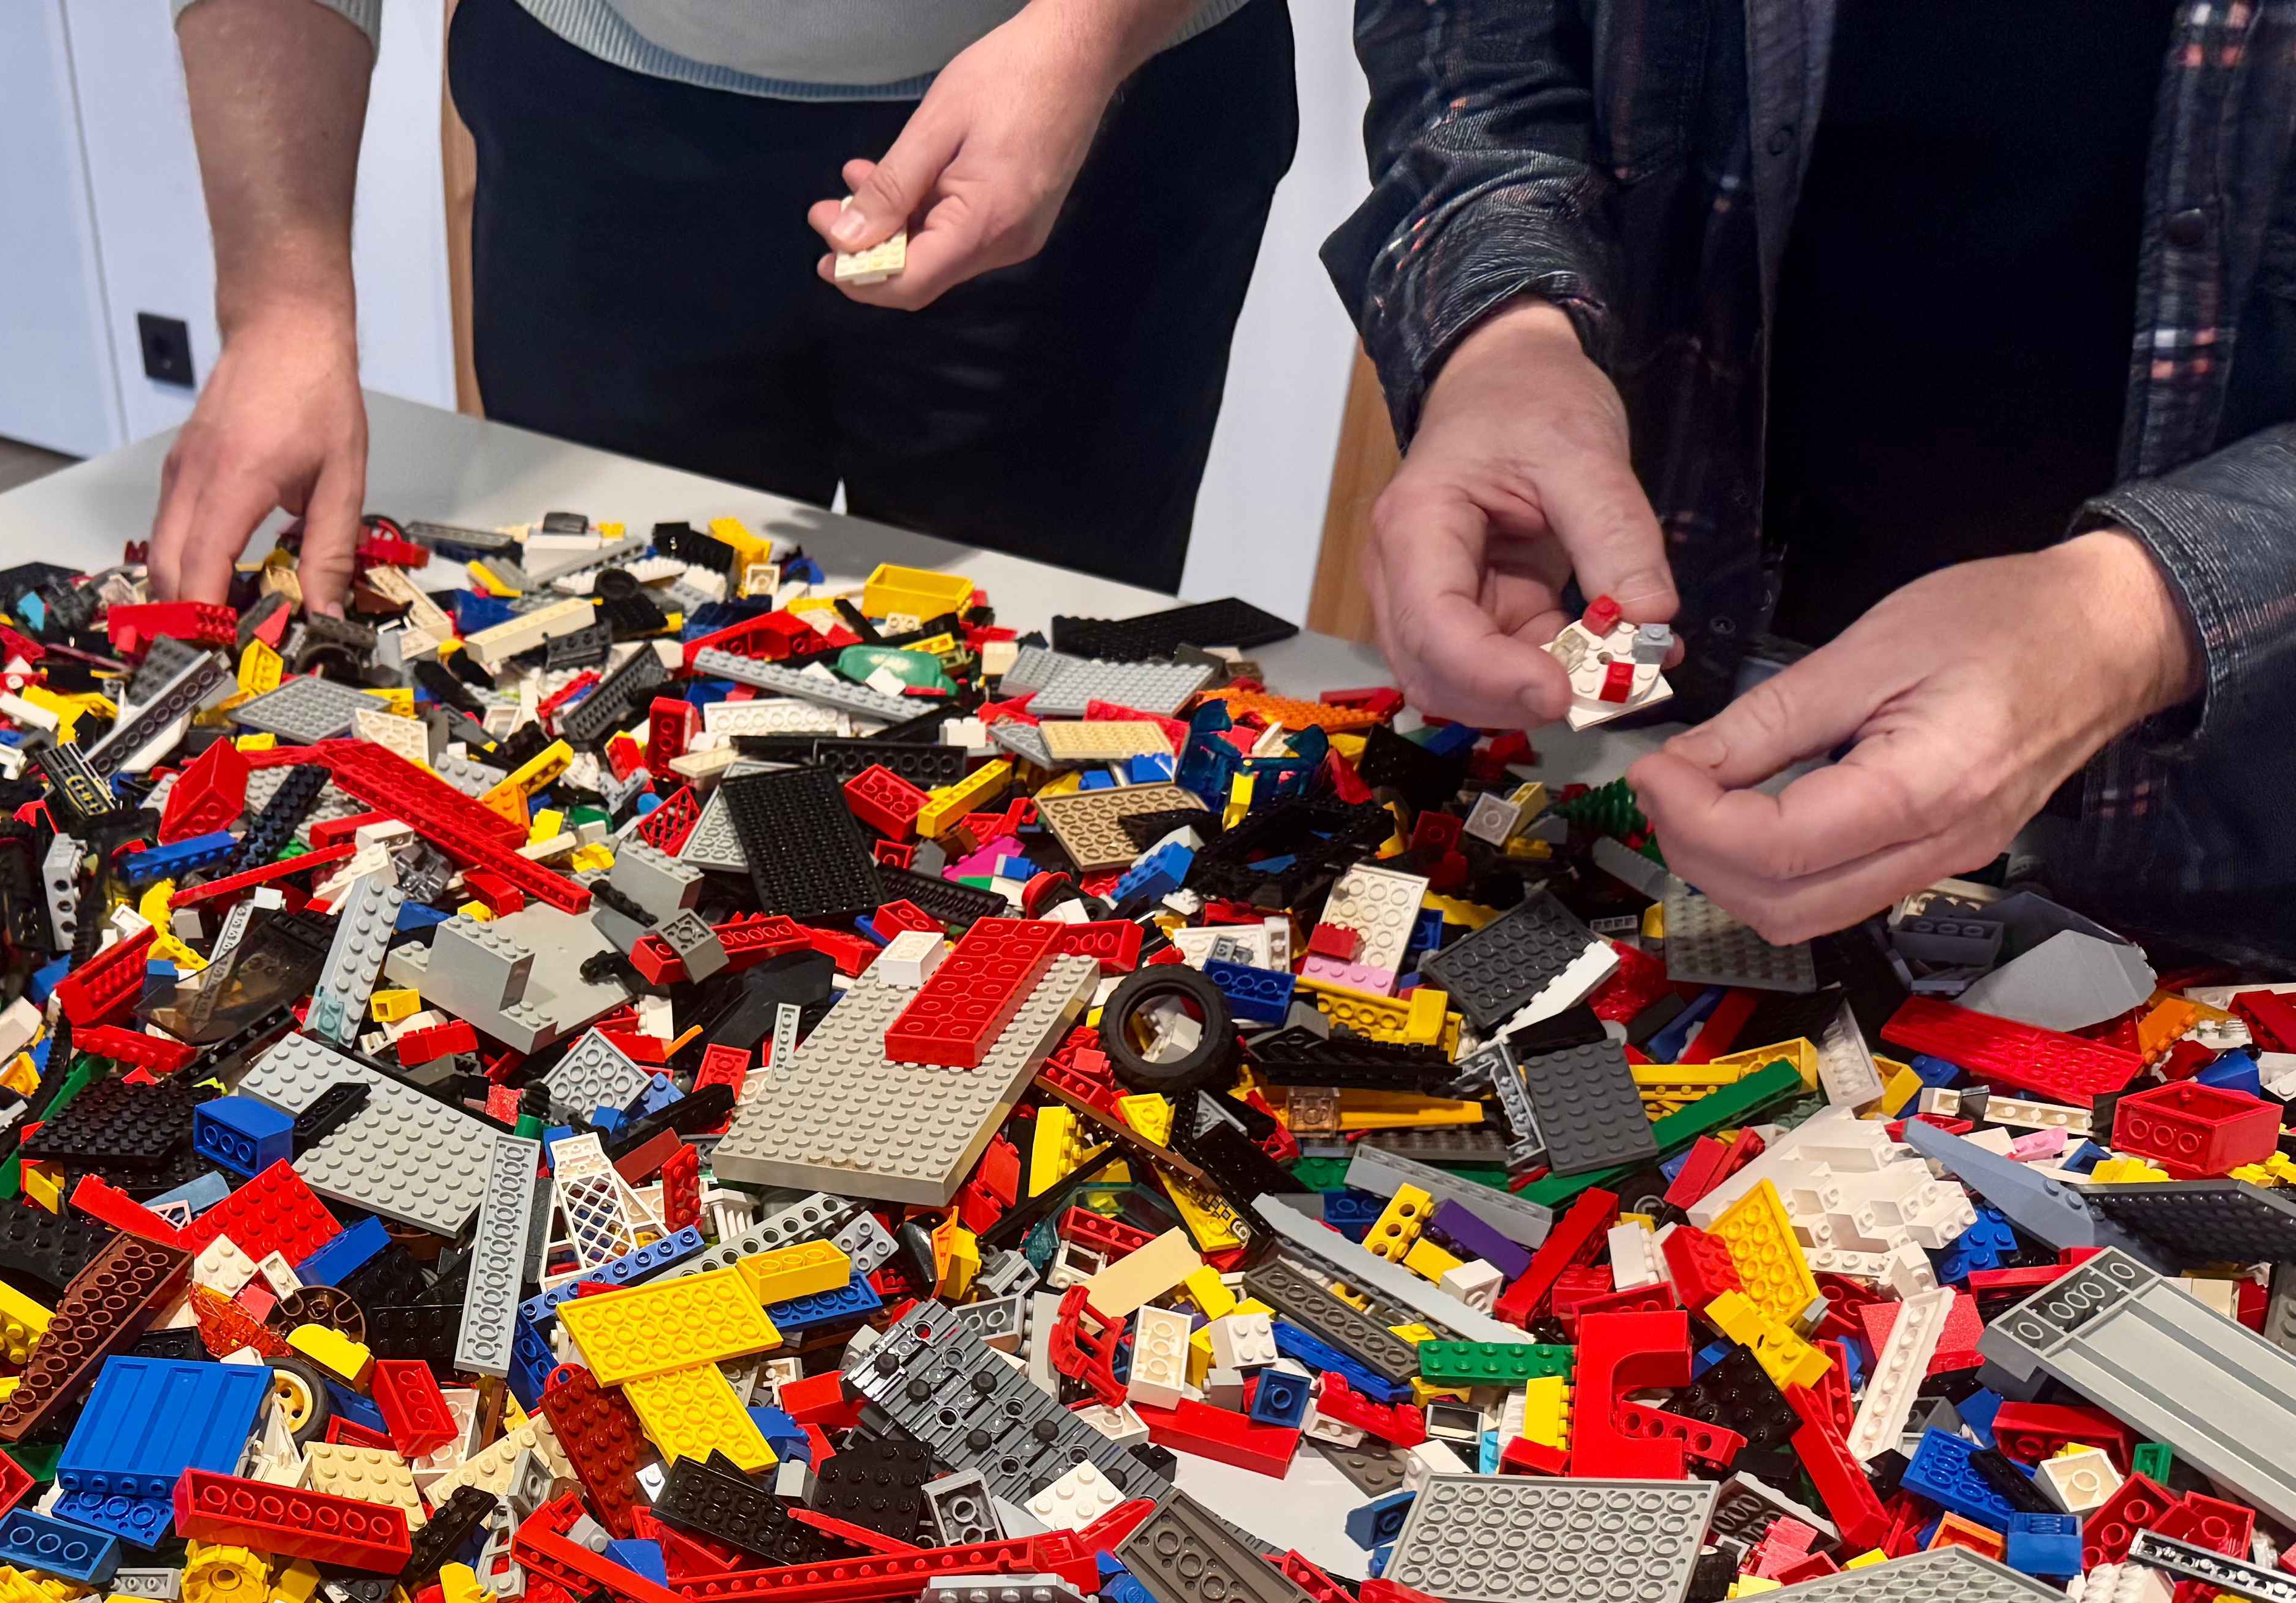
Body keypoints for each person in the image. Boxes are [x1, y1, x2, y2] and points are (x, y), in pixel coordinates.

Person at [1325, 0, 2296, 964]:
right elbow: (1471, 51)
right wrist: (1503, 335)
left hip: (2215, 844)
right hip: (1646, 681)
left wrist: (2133, 621)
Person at [151, 0, 1295, 610]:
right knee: (593, 642)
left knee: (1040, 687)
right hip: (602, 107)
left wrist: (1090, 30)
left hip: (1117, 104)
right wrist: (281, 303)